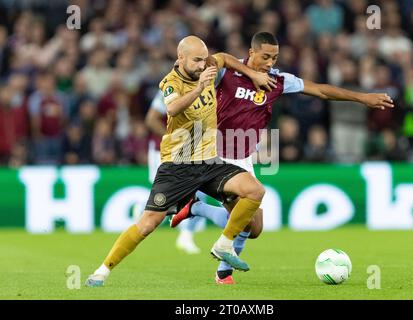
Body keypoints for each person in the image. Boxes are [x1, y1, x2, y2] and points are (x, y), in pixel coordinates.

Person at [169, 31, 394, 284]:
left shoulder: (277, 81)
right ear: (252, 52)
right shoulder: (227, 74)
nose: (270, 63)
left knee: (254, 227)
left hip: (244, 159)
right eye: (265, 57)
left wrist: (362, 98)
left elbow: (319, 90)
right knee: (244, 216)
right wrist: (251, 73)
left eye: (274, 58)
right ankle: (223, 273)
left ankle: (195, 208)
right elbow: (217, 57)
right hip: (216, 155)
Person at [85, 35, 276, 287]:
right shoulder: (170, 82)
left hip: (209, 162)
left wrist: (252, 74)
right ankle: (102, 271)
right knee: (147, 225)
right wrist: (198, 88)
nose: (202, 65)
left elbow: (226, 59)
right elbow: (172, 108)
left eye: (204, 59)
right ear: (181, 58)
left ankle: (223, 244)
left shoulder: (208, 66)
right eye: (196, 60)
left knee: (254, 191)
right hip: (178, 166)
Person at [145, 91, 206, 255]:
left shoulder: (203, 89)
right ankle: (139, 214)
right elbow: (151, 119)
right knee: (164, 201)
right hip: (163, 151)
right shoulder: (169, 90)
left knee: (200, 188)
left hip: (189, 151)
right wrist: (174, 138)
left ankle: (186, 236)